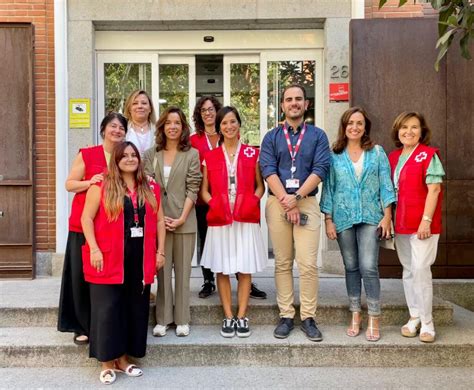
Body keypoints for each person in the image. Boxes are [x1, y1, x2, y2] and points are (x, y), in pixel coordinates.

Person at [81, 141, 165, 385]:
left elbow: (159, 221)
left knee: (133, 309)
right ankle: (107, 363)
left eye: (134, 155)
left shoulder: (149, 186)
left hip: (139, 259)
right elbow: (86, 218)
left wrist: (160, 251)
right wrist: (94, 248)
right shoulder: (101, 185)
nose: (130, 159)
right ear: (116, 159)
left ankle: (124, 360)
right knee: (107, 311)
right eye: (124, 155)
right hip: (107, 257)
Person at [260, 84, 330, 342]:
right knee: (282, 262)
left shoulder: (318, 136)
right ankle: (286, 315)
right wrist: (286, 200)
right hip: (278, 203)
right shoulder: (271, 137)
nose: (294, 103)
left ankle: (309, 317)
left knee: (309, 264)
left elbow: (321, 168)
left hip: (306, 201)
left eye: (298, 99)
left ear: (306, 104)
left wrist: (297, 197)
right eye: (289, 99)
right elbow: (268, 169)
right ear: (282, 105)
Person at [320, 107, 396, 342]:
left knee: (369, 266)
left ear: (365, 127)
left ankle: (374, 315)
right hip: (342, 218)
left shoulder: (377, 152)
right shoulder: (334, 154)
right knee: (351, 266)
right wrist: (328, 220)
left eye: (359, 123)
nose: (355, 127)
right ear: (344, 126)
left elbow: (386, 184)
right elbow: (329, 188)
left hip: (371, 217)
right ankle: (355, 313)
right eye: (350, 123)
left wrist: (387, 216)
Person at [57, 112, 127, 345]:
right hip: (83, 224)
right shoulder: (87, 154)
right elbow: (69, 184)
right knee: (80, 276)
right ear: (103, 129)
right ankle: (81, 325)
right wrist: (90, 182)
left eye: (121, 128)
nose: (117, 131)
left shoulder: (125, 156)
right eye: (113, 127)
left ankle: (104, 323)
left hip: (112, 228)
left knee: (102, 279)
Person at [191, 96, 267, 300]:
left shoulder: (249, 151)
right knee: (215, 248)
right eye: (203, 110)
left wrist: (252, 200)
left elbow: (259, 184)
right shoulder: (194, 140)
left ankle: (246, 286)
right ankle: (209, 281)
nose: (207, 112)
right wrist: (213, 201)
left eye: (211, 109)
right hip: (213, 205)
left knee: (242, 250)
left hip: (243, 209)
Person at [144, 106, 202, 338]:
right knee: (163, 272)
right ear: (162, 126)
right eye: (168, 122)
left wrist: (181, 218)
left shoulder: (192, 154)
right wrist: (160, 217)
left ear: (183, 126)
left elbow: (193, 188)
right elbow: (147, 187)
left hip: (184, 221)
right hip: (159, 222)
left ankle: (182, 319)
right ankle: (163, 319)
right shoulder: (151, 154)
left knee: (183, 273)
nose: (173, 126)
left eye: (177, 122)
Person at [388, 111, 444, 343]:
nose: (408, 132)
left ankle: (428, 322)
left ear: (422, 131)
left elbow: (435, 189)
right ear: (397, 131)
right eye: (403, 127)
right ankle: (414, 317)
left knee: (421, 269)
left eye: (414, 127)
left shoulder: (428, 155)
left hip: (423, 224)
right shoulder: (393, 157)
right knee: (409, 270)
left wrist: (426, 220)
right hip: (400, 222)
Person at [124, 89, 157, 156]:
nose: (140, 106)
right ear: (129, 109)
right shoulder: (123, 130)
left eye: (144, 103)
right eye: (135, 103)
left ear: (150, 108)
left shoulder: (159, 130)